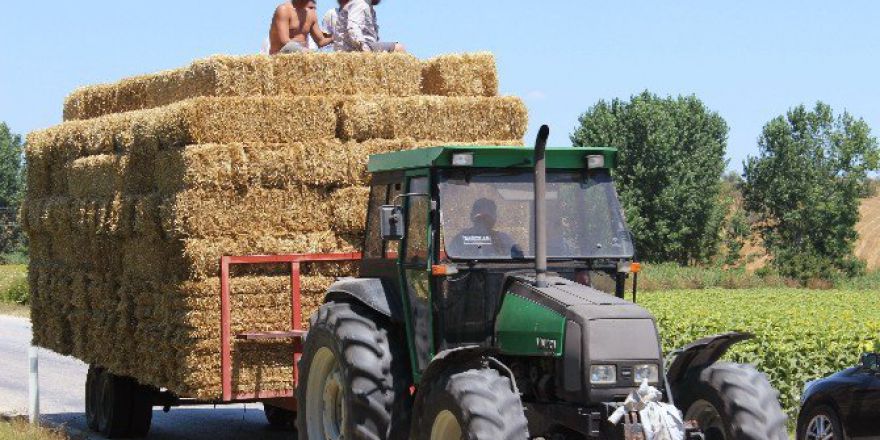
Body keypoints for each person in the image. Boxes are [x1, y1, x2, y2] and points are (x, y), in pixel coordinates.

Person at [452, 199, 523, 259]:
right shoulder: (460, 239)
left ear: (494, 219)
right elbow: (451, 263)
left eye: (487, 218)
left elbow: (519, 261)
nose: (483, 222)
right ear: (471, 217)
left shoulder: (504, 239)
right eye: (480, 218)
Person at [337, 0, 405, 52]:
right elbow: (352, 27)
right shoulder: (360, 3)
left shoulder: (368, 7)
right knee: (398, 48)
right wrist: (364, 48)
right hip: (359, 46)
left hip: (365, 44)